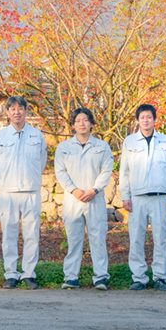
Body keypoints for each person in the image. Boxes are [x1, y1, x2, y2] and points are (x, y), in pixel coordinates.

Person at [0, 96, 47, 290]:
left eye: (20, 108)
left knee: (32, 235)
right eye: (13, 109)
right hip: (9, 192)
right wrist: (6, 181)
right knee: (9, 235)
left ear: (26, 111)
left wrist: (32, 178)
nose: (17, 112)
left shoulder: (36, 135)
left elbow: (41, 161)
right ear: (7, 112)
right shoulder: (1, 136)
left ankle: (29, 274)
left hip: (31, 191)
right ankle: (11, 274)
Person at [119, 104, 166, 292]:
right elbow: (124, 171)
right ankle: (139, 278)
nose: (146, 120)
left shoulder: (165, 141)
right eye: (142, 117)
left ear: (154, 119)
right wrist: (125, 196)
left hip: (160, 197)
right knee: (136, 239)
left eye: (149, 117)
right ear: (137, 120)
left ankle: (161, 278)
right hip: (137, 197)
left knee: (160, 239)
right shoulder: (130, 142)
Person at [53, 107, 113, 291]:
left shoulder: (102, 146)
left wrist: (94, 190)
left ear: (91, 123)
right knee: (74, 240)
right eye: (78, 120)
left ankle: (100, 277)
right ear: (73, 124)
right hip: (73, 200)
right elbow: (60, 172)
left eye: (85, 120)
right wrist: (74, 190)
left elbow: (106, 170)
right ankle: (71, 277)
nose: (82, 123)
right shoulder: (64, 147)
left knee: (98, 239)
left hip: (95, 198)